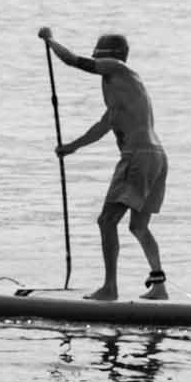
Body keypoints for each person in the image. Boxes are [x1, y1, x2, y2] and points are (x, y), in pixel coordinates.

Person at [38, 27, 169, 300]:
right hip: (156, 157)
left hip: (138, 157)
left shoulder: (118, 68)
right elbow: (101, 127)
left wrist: (50, 41)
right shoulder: (121, 94)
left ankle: (110, 289)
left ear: (105, 55)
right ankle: (159, 286)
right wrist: (69, 148)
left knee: (107, 221)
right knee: (138, 227)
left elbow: (74, 60)